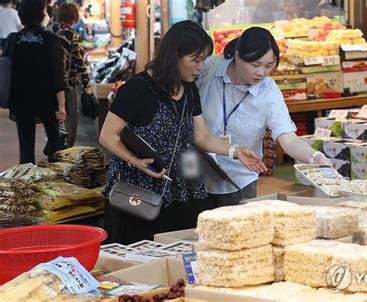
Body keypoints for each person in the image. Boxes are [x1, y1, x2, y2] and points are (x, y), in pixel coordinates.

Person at [99, 20, 266, 245]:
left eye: (203, 60)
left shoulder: (189, 89)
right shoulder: (137, 89)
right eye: (195, 60)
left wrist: (235, 151)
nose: (200, 67)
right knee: (140, 252)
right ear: (174, 56)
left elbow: (202, 137)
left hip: (182, 187)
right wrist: (136, 161)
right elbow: (107, 135)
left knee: (181, 249)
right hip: (140, 189)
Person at [197, 27, 332, 207]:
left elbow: (288, 139)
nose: (261, 72)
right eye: (255, 65)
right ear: (237, 56)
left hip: (239, 179)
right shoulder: (208, 70)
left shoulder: (268, 91)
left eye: (269, 66)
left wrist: (315, 157)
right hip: (194, 174)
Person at [8, 0, 66, 164]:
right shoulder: (50, 40)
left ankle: (27, 181)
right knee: (55, 142)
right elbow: (57, 75)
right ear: (41, 15)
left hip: (20, 99)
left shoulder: (15, 39)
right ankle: (53, 183)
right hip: (46, 100)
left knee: (25, 146)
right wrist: (62, 106)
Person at [49, 3, 92, 147]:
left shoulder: (49, 30)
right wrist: (87, 84)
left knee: (52, 117)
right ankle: (66, 151)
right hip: (66, 84)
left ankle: (53, 146)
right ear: (74, 18)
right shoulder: (72, 36)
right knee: (70, 119)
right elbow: (80, 63)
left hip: (48, 84)